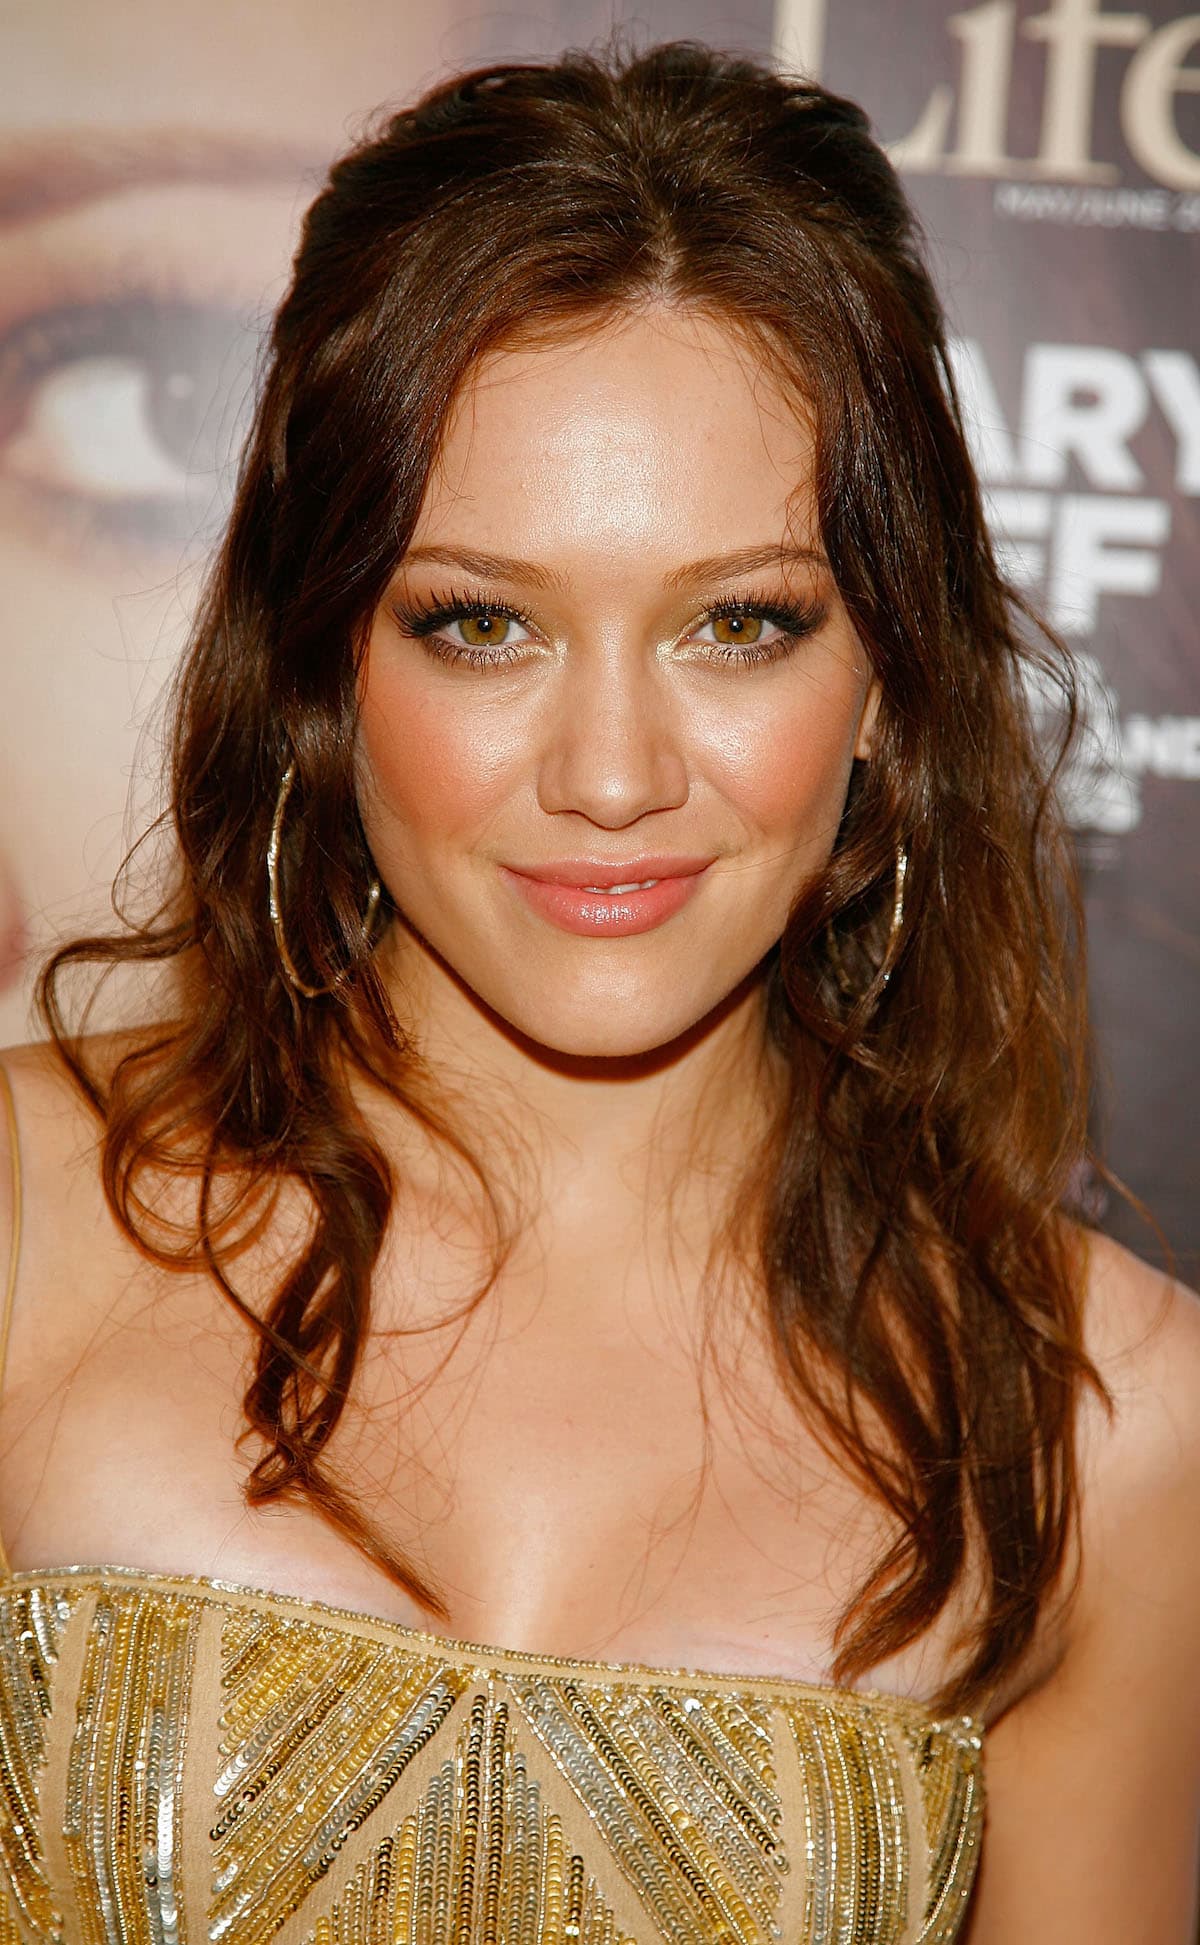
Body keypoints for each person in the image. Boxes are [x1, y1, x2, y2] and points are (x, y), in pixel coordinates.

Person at [0, 39, 1197, 1944]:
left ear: (884, 679)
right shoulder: (25, 1221)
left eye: (743, 622)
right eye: (484, 623)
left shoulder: (1102, 1422)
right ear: (324, 658)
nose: (615, 773)